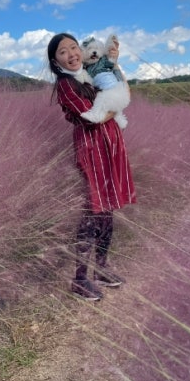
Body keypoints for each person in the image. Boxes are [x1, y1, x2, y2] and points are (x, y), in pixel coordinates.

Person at [47, 32, 136, 301]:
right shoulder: (65, 85)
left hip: (110, 148)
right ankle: (80, 278)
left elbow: (121, 88)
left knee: (106, 210)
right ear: (55, 60)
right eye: (63, 51)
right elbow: (91, 118)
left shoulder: (88, 72)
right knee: (92, 211)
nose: (71, 54)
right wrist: (118, 101)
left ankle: (100, 268)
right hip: (92, 152)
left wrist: (116, 64)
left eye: (74, 47)